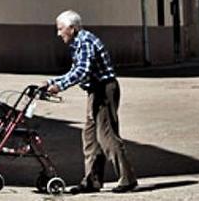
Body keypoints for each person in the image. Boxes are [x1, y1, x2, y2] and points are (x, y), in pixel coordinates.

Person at [44, 10, 138, 194]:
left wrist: (60, 87)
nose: (58, 33)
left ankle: (128, 179)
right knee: (89, 136)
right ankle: (92, 181)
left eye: (60, 29)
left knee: (107, 135)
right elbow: (74, 70)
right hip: (94, 90)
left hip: (104, 90)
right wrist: (51, 82)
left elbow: (82, 72)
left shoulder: (86, 41)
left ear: (72, 28)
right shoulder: (77, 43)